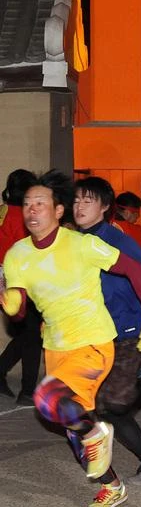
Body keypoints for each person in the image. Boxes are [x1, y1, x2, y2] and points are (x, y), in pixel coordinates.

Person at [1, 170, 141, 507]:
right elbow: (18, 312)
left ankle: (102, 431)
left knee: (49, 399)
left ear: (57, 211)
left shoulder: (83, 244)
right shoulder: (16, 255)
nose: (32, 210)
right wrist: (12, 304)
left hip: (94, 342)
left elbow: (135, 270)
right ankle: (112, 485)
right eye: (27, 204)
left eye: (40, 203)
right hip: (56, 348)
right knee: (72, 424)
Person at [73, 177, 141, 488]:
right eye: (75, 201)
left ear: (104, 207)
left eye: (87, 201)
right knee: (103, 407)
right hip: (94, 332)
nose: (79, 206)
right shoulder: (73, 243)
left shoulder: (117, 239)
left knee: (113, 404)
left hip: (129, 327)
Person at [0, 168, 42, 404]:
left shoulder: (3, 211)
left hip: (3, 279)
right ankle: (27, 392)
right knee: (33, 335)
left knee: (26, 332)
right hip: (20, 280)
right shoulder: (24, 217)